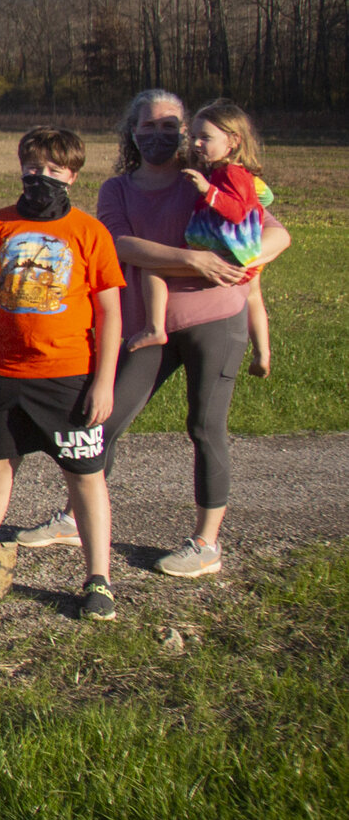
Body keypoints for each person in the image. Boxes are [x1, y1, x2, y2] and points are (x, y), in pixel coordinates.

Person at [76, 91, 291, 581]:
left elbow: (276, 233)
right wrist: (192, 259)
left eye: (169, 126)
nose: (158, 135)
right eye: (146, 127)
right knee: (100, 421)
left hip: (215, 318)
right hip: (148, 326)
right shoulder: (118, 188)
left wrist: (240, 265)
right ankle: (77, 516)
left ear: (185, 131)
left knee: (205, 427)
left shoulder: (210, 180)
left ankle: (206, 542)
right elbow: (120, 243)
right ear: (131, 132)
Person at [0, 129, 125, 619]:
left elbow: (111, 313)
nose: (40, 178)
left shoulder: (90, 232)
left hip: (68, 376)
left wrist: (104, 380)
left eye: (53, 171)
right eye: (32, 168)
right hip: (5, 372)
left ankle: (99, 579)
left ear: (72, 175)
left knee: (84, 476)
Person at [127, 98, 274, 376]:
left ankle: (154, 328)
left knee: (152, 267)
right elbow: (263, 197)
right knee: (254, 294)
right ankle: (262, 354)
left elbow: (239, 211)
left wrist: (208, 191)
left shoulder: (230, 173)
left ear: (233, 141)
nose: (195, 143)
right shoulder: (231, 173)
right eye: (194, 137)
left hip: (226, 253)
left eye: (204, 137)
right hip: (237, 254)